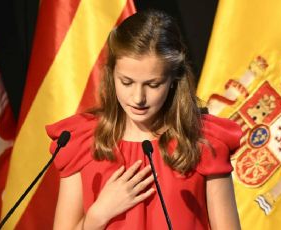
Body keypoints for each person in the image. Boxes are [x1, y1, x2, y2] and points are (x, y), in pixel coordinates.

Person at [46, 9, 242, 230]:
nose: (138, 98)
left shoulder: (203, 141)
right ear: (111, 75)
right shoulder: (81, 141)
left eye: (153, 84)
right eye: (127, 82)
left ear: (174, 80)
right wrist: (99, 214)